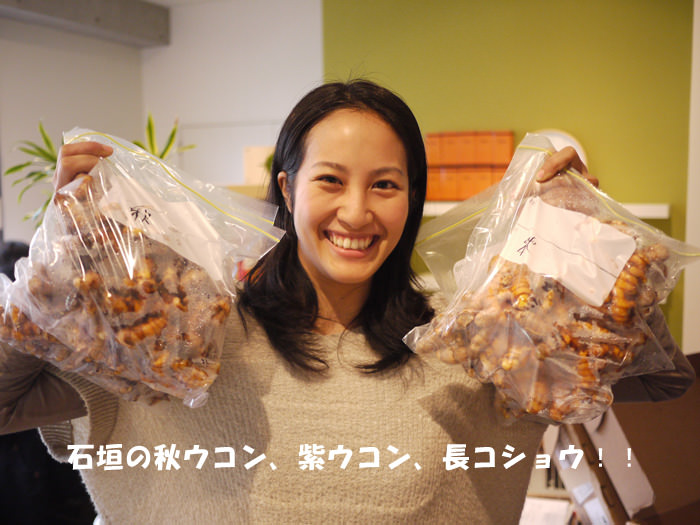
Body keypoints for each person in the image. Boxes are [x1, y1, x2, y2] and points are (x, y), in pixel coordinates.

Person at [0, 80, 694, 524]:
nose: (356, 212)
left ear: (412, 200)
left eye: (385, 185)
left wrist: (588, 253)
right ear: (288, 188)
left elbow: (663, 380)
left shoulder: (469, 342)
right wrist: (65, 262)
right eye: (330, 180)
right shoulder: (185, 342)